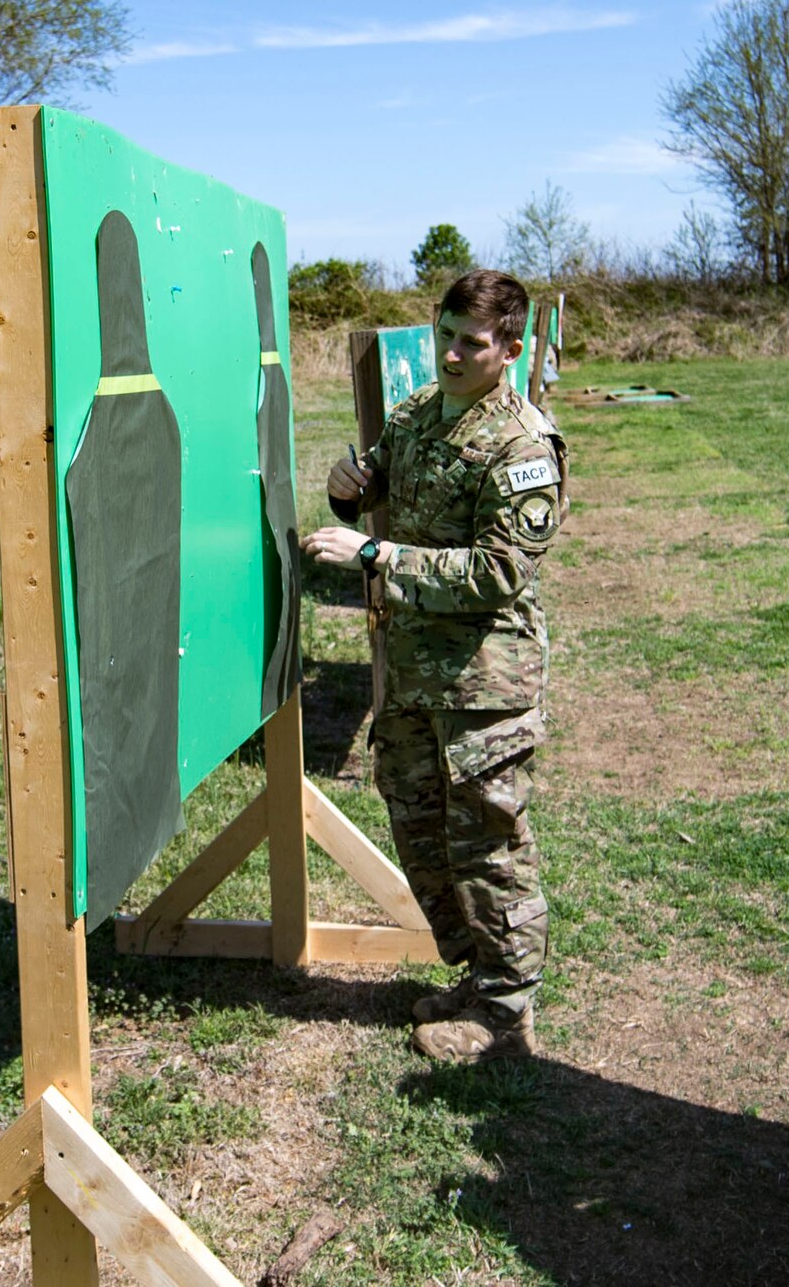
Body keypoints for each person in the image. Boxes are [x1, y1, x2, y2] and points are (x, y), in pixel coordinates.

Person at [301, 269, 568, 1064]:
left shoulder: (524, 445)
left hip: (485, 682)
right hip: (415, 670)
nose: (452, 354)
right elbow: (376, 479)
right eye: (444, 335)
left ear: (510, 350)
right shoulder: (420, 411)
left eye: (472, 343)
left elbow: (498, 572)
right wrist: (348, 489)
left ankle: (506, 1016)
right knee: (418, 823)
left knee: (487, 841)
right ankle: (474, 976)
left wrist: (376, 551)